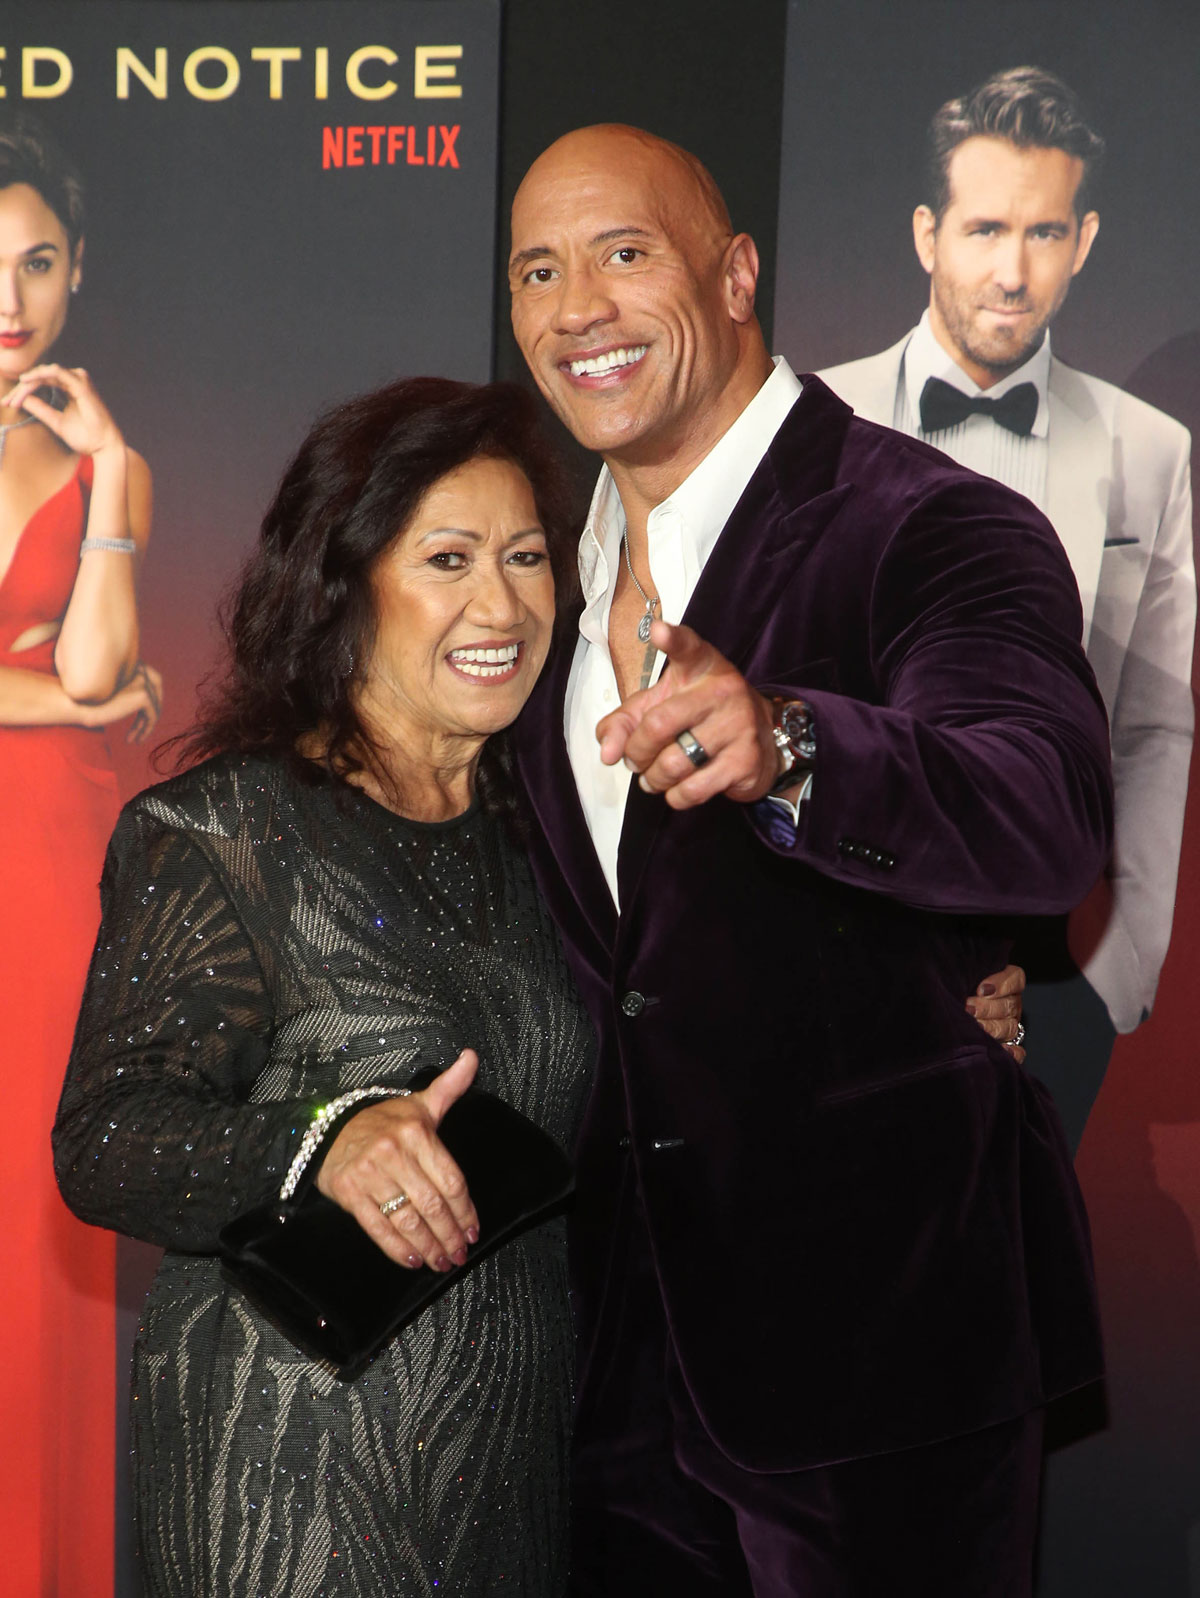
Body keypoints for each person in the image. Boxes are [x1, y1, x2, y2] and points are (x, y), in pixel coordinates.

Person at [505, 123, 1113, 1596]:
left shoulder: (931, 522)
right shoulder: (524, 567)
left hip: (873, 1372)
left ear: (735, 276)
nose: (576, 304)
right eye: (538, 268)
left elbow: (1043, 802)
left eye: (624, 254)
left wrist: (791, 745)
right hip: (597, 1375)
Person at [54, 376, 596, 1596]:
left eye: (525, 557)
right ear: (344, 583)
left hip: (509, 1476)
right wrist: (327, 1138)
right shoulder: (222, 830)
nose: (500, 602)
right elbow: (105, 1139)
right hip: (291, 1481)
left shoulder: (551, 843)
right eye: (447, 558)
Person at [820, 66, 1196, 1151]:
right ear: (926, 233)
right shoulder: (808, 419)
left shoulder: (1150, 450)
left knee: (1013, 1294)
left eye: (1042, 232)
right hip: (842, 938)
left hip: (1053, 966)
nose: (1012, 271)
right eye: (985, 229)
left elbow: (1156, 724)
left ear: (1083, 241)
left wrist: (1112, 974)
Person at [0, 112, 159, 1597]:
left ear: (76, 272)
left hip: (44, 875)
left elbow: (111, 660)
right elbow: (94, 689)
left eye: (38, 262)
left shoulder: (106, 465)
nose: (10, 298)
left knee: (39, 1250)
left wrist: (108, 466)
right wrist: (56, 694)